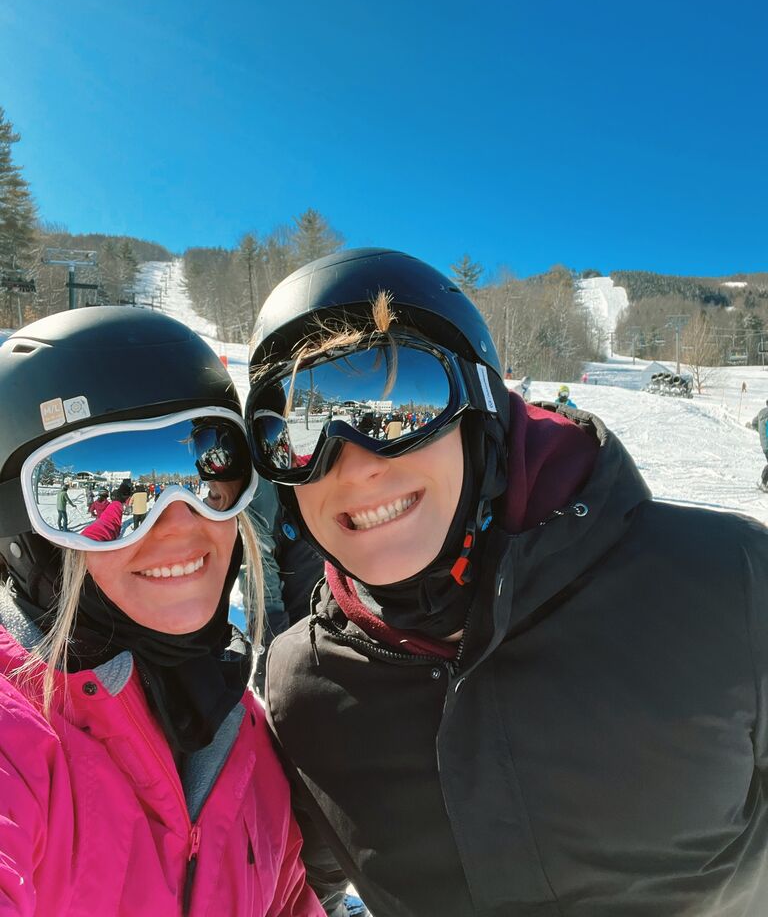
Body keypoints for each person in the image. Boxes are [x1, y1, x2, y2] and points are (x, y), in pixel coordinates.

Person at [244, 247, 768, 917]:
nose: (355, 464)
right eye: (301, 427)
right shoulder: (305, 684)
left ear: (482, 416)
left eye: (401, 403)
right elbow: (282, 892)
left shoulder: (724, 582)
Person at [0, 306, 323, 917]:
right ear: (25, 532)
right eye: (109, 484)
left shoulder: (247, 740)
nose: (180, 525)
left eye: (206, 469)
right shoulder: (18, 733)